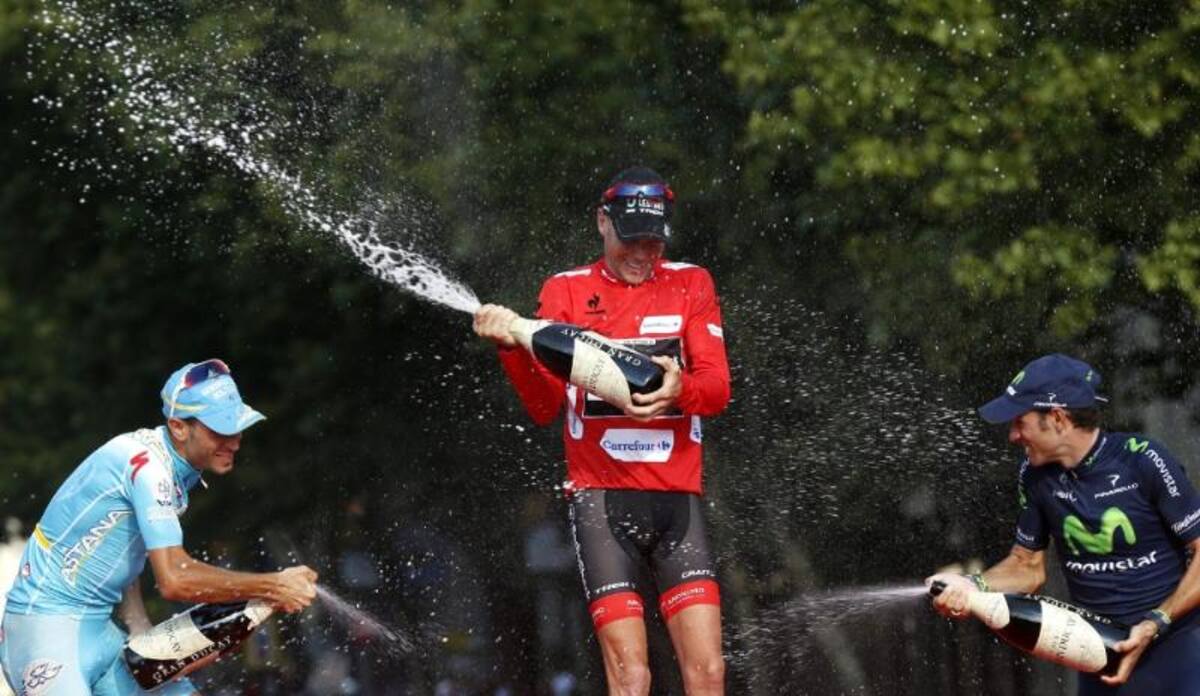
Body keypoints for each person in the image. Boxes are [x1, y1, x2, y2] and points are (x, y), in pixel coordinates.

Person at [474, 166, 731, 695]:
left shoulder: (691, 283)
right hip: (601, 504)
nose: (642, 254)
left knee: (707, 671)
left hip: (677, 501)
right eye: (630, 239)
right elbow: (545, 407)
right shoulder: (565, 291)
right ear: (602, 223)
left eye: (652, 242)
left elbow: (717, 389)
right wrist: (511, 350)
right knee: (631, 674)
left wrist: (679, 390)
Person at [0, 359, 318, 695]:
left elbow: (123, 546)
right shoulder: (150, 470)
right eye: (221, 430)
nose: (235, 441)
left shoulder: (174, 469)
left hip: (96, 632)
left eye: (237, 428)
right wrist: (273, 586)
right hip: (41, 636)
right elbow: (175, 579)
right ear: (179, 427)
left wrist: (137, 621)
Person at [927, 353, 1200, 695]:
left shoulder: (1143, 459)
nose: (1013, 435)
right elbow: (1028, 569)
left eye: (1019, 421)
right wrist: (972, 586)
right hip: (1099, 657)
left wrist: (1156, 622)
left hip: (1177, 652)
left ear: (1056, 418)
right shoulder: (1035, 477)